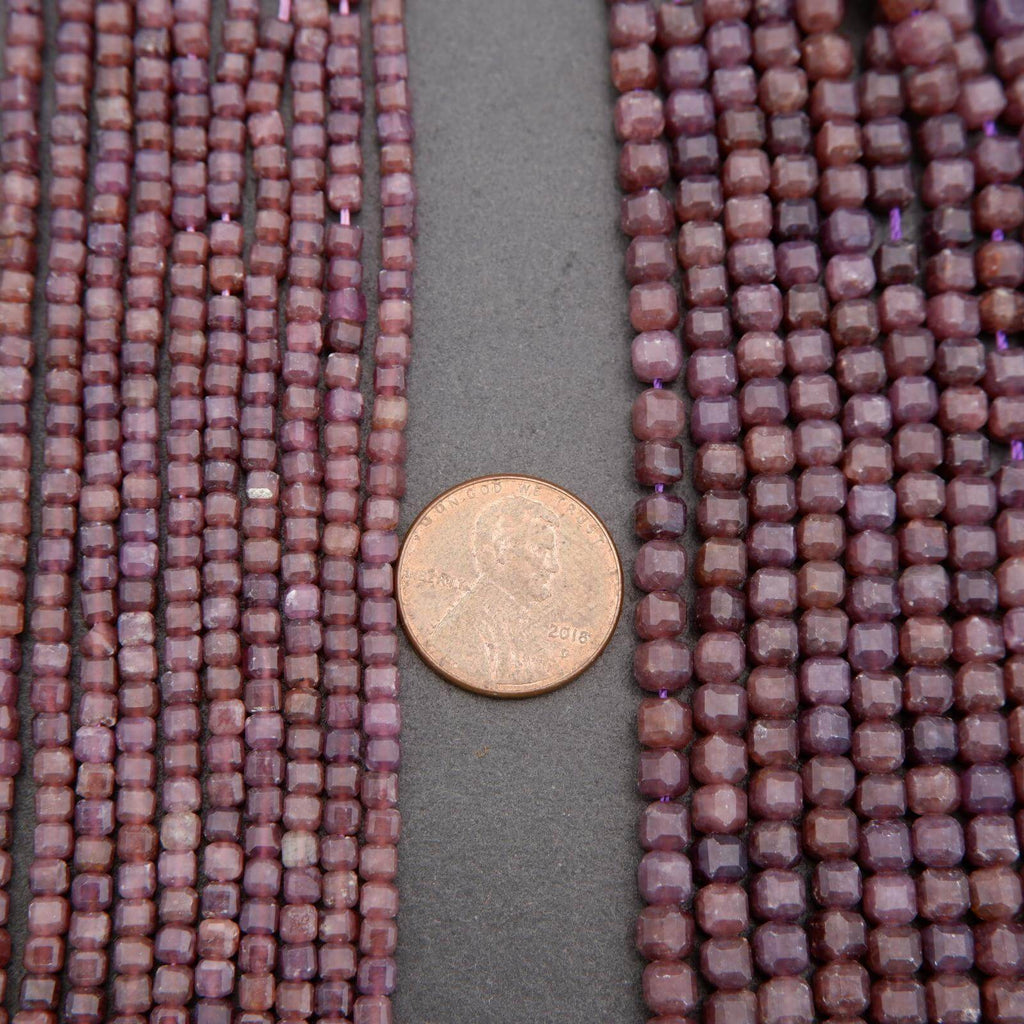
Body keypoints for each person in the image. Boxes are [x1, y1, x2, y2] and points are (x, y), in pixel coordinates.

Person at [429, 495, 561, 685]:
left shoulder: (515, 622)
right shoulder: (464, 632)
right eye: (541, 549)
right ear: (501, 551)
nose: (553, 566)